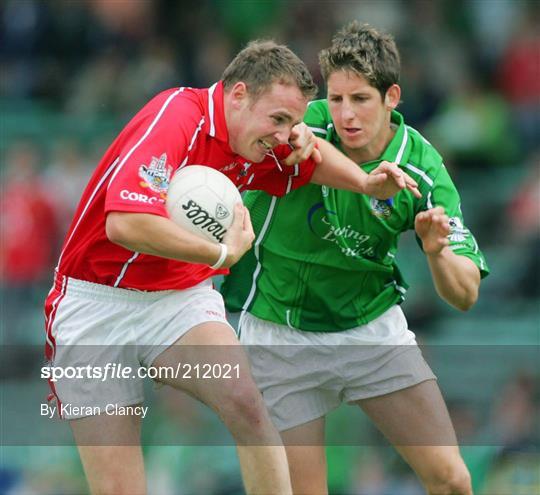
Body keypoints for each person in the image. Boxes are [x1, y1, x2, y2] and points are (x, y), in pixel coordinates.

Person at [43, 39, 420, 495]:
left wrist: (364, 182)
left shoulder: (256, 142)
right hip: (94, 305)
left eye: (294, 123)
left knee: (247, 403)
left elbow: (308, 162)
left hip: (178, 300)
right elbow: (124, 223)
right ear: (238, 95)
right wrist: (221, 256)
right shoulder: (177, 116)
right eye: (278, 120)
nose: (284, 136)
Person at [222, 23, 490, 495]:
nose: (345, 114)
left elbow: (465, 293)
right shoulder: (298, 125)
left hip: (370, 331)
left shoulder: (422, 169)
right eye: (336, 98)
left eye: (361, 99)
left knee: (451, 481)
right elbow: (287, 137)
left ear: (392, 97)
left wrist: (436, 250)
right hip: (283, 332)